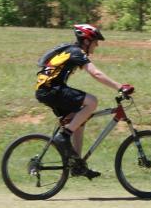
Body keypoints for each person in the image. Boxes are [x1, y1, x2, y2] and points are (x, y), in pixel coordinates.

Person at [35, 24, 134, 179]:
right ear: (86, 41)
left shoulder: (72, 51)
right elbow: (96, 73)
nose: (97, 45)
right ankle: (63, 136)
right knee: (92, 102)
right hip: (50, 89)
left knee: (79, 120)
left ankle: (76, 165)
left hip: (48, 89)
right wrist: (119, 87)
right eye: (95, 41)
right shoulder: (77, 52)